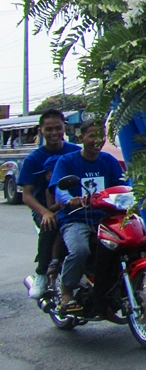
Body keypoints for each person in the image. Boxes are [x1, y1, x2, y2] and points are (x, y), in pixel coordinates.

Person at [49, 118, 127, 313]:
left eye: (101, 135)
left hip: (106, 218)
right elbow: (59, 188)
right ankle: (67, 291)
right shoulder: (67, 161)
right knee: (80, 250)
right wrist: (70, 199)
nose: (97, 140)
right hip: (76, 219)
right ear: (81, 137)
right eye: (92, 135)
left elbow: (124, 185)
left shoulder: (109, 161)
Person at [17, 109, 81, 299]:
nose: (54, 133)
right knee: (51, 225)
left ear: (65, 128)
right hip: (47, 208)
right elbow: (27, 196)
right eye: (49, 129)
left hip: (75, 207)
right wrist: (45, 212)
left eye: (58, 128)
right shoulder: (33, 160)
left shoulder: (76, 152)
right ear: (40, 131)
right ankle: (41, 273)